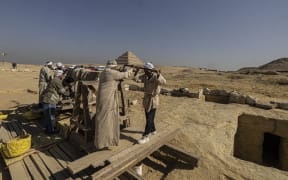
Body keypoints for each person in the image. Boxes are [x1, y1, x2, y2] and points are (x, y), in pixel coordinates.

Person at [94, 59, 132, 150]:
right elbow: (125, 75)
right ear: (113, 67)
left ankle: (104, 141)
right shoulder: (112, 73)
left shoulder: (104, 72)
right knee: (106, 121)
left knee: (104, 120)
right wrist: (129, 70)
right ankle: (104, 142)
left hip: (102, 98)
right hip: (108, 99)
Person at [137, 62, 166, 144]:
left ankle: (146, 136)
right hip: (147, 99)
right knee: (148, 117)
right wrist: (137, 71)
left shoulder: (155, 76)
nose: (144, 71)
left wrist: (158, 75)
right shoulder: (145, 76)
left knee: (149, 118)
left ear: (149, 70)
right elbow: (136, 79)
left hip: (153, 100)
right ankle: (153, 130)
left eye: (145, 70)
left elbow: (164, 82)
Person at [41, 69, 68, 134]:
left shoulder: (55, 79)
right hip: (50, 100)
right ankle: (50, 131)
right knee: (50, 116)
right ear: (59, 75)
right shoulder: (57, 81)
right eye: (62, 74)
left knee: (49, 116)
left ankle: (49, 129)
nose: (63, 76)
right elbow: (62, 91)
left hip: (48, 99)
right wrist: (68, 89)